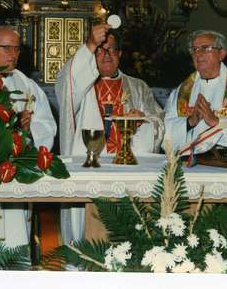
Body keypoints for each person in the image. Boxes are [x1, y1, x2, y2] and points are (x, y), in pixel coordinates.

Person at [55, 23, 165, 244]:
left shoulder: (137, 87)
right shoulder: (81, 86)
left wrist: (142, 120)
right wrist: (89, 44)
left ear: (120, 54)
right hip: (89, 170)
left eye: (112, 50)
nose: (106, 55)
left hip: (128, 173)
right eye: (99, 50)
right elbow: (68, 81)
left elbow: (158, 121)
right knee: (89, 237)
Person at [0, 25, 57, 247]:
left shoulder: (26, 84)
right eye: (6, 48)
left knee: (18, 236)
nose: (13, 54)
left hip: (18, 169)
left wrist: (29, 128)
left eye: (16, 49)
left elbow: (47, 124)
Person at [164, 29, 227, 152]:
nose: (198, 54)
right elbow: (164, 128)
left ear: (221, 54)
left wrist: (217, 122)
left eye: (205, 48)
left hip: (224, 164)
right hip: (186, 162)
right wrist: (189, 122)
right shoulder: (181, 91)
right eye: (194, 49)